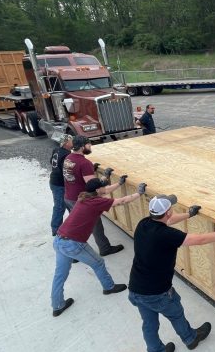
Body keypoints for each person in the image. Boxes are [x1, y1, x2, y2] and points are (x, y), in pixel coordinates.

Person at [128, 194, 215, 352]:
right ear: (168, 212)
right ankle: (190, 339)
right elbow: (199, 240)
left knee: (149, 325)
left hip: (136, 290)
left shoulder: (144, 224)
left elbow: (167, 220)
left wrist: (188, 214)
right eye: (171, 209)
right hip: (157, 292)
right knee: (176, 313)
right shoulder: (166, 235)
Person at [51, 177, 145, 317]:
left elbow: (104, 191)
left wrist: (119, 183)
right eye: (102, 186)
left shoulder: (83, 196)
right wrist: (139, 193)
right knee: (98, 263)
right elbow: (122, 201)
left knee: (60, 275)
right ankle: (109, 287)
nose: (104, 188)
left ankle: (57, 305)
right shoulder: (96, 202)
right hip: (73, 244)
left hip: (59, 240)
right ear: (97, 190)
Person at [63, 135, 124, 256]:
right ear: (82, 147)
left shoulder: (68, 158)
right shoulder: (85, 163)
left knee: (76, 224)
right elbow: (95, 188)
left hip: (69, 197)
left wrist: (93, 170)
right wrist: (107, 179)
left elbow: (77, 175)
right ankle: (104, 248)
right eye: (88, 144)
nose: (91, 146)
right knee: (95, 225)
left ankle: (71, 251)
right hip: (82, 199)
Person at [49, 134, 73, 236]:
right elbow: (68, 170)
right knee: (59, 207)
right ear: (66, 143)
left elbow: (51, 161)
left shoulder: (56, 150)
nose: (73, 142)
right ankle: (56, 230)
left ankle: (72, 224)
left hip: (53, 181)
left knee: (68, 205)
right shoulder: (66, 154)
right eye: (71, 141)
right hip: (59, 184)